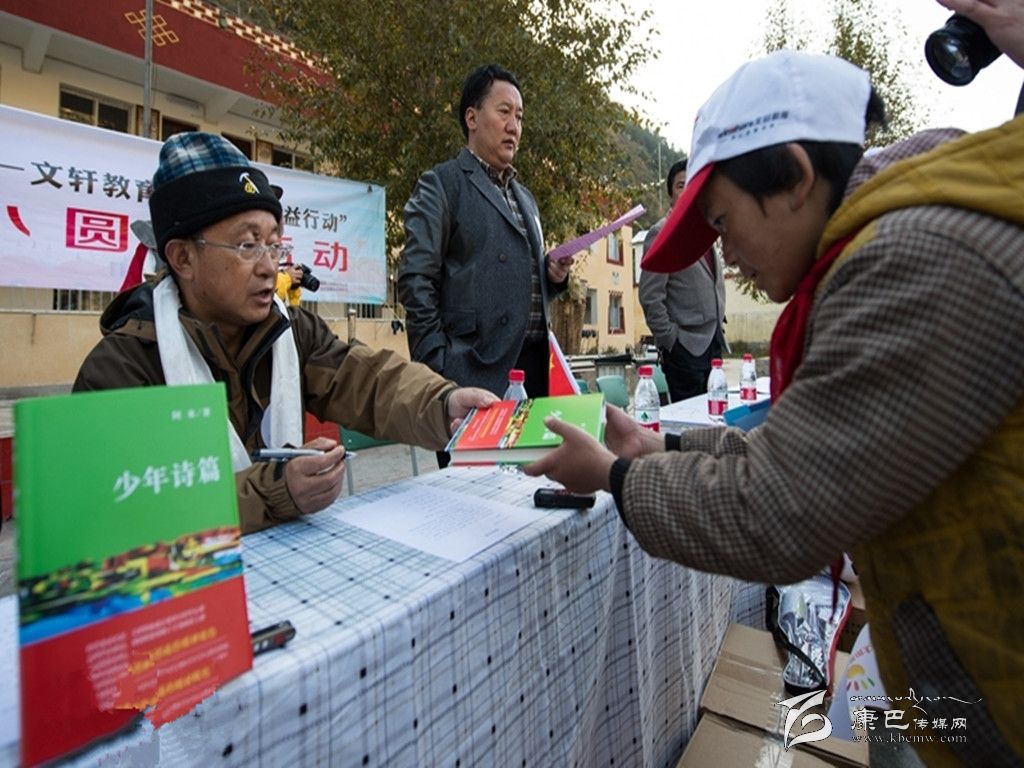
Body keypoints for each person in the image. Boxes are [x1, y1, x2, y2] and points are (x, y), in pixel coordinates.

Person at [526, 50, 1024, 766]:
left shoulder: (907, 263)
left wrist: (614, 477)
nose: (727, 258)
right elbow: (810, 447)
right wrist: (658, 449)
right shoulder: (896, 239)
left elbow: (782, 507)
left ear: (793, 176)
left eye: (723, 222)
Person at [74, 132, 496, 534]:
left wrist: (444, 405)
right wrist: (275, 489)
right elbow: (117, 515)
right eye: (247, 245)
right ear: (183, 258)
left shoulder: (289, 331)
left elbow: (369, 382)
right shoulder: (124, 368)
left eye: (274, 244)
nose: (268, 266)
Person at [397, 63, 572, 401]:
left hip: (535, 371)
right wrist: (437, 364)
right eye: (504, 112)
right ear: (472, 118)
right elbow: (415, 279)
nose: (514, 127)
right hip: (472, 371)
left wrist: (551, 276)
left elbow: (516, 284)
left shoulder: (526, 198)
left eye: (519, 117)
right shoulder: (442, 184)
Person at [638, 159, 726, 402]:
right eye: (680, 186)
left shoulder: (704, 232)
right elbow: (650, 296)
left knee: (715, 415)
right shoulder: (661, 233)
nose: (687, 190)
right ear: (670, 196)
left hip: (713, 344)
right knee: (688, 420)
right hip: (684, 349)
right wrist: (671, 341)